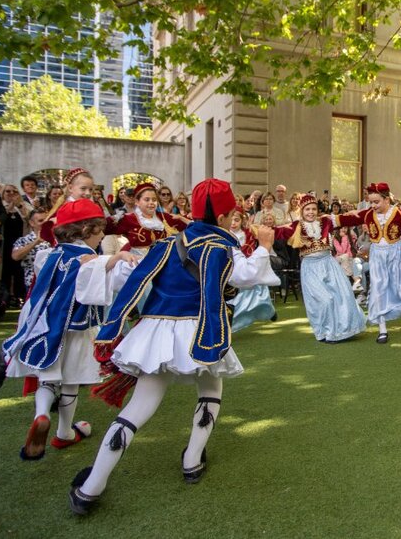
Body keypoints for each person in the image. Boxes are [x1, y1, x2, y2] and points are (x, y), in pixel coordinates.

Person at [68, 179, 279, 514]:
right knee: (211, 390)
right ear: (224, 216)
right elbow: (248, 275)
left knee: (138, 408)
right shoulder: (222, 248)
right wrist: (265, 245)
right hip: (200, 333)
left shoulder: (167, 244)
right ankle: (192, 461)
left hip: (155, 333)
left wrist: (113, 325)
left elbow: (132, 280)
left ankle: (91, 487)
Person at [1, 199, 138, 460]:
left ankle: (41, 413)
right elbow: (92, 272)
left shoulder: (49, 254)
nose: (101, 237)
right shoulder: (87, 258)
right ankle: (64, 432)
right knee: (71, 381)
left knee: (48, 375)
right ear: (87, 230)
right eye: (99, 231)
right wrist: (117, 257)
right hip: (76, 328)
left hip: (43, 325)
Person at [333, 182, 401, 343]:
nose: (373, 205)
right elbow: (347, 219)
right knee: (379, 289)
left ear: (387, 200)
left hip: (397, 253)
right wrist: (325, 221)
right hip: (378, 255)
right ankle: (382, 329)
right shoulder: (367, 214)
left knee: (400, 284)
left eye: (376, 201)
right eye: (371, 202)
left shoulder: (398, 213)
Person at [274, 193, 366, 342]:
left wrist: (367, 214)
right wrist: (256, 230)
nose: (310, 212)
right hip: (310, 267)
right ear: (302, 211)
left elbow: (346, 219)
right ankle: (325, 331)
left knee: (342, 295)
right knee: (324, 300)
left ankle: (340, 331)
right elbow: (277, 232)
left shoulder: (326, 221)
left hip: (328, 263)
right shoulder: (296, 226)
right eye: (307, 209)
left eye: (313, 209)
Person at [230, 209, 279, 331]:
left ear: (242, 221)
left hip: (249, 265)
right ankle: (234, 321)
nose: (233, 223)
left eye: (237, 220)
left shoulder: (248, 234)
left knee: (261, 291)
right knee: (237, 299)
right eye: (231, 220)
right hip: (235, 271)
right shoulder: (226, 235)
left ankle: (269, 311)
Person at [110, 183, 188, 258]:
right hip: (138, 263)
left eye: (154, 200)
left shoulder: (164, 217)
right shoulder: (128, 219)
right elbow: (104, 228)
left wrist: (182, 218)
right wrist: (112, 219)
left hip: (161, 260)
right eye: (147, 200)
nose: (151, 202)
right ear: (137, 202)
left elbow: (189, 227)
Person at [0, 184, 30, 305]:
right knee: (4, 270)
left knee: (19, 270)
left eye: (14, 192)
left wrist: (19, 206)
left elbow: (29, 218)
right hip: (4, 242)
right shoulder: (0, 205)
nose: (11, 194)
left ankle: (19, 296)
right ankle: (4, 296)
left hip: (19, 243)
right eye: (8, 191)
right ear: (3, 193)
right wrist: (9, 207)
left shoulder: (23, 205)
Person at [12, 210, 51, 292]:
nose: (44, 223)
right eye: (40, 221)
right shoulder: (24, 240)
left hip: (52, 282)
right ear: (32, 223)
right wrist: (36, 242)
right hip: (33, 283)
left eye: (46, 220)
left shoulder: (55, 238)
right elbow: (15, 256)